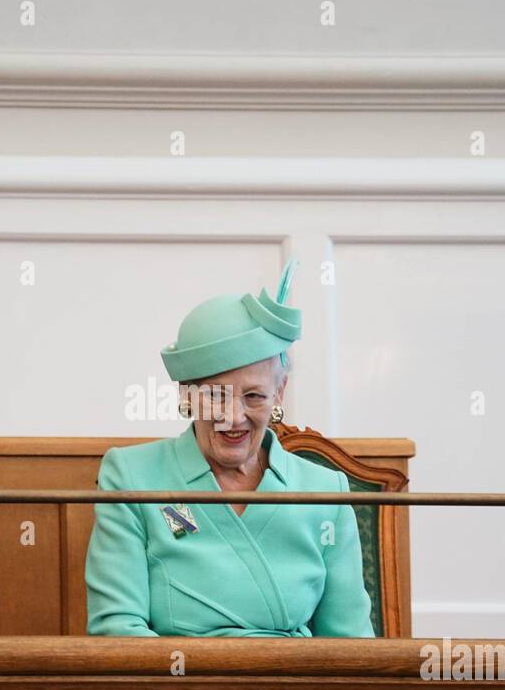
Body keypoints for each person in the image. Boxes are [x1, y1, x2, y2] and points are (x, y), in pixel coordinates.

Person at [85, 262, 374, 637]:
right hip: (174, 689)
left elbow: (351, 646)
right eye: (215, 397)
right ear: (187, 395)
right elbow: (116, 629)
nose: (232, 418)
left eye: (253, 396)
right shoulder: (131, 476)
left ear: (279, 393)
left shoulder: (325, 492)